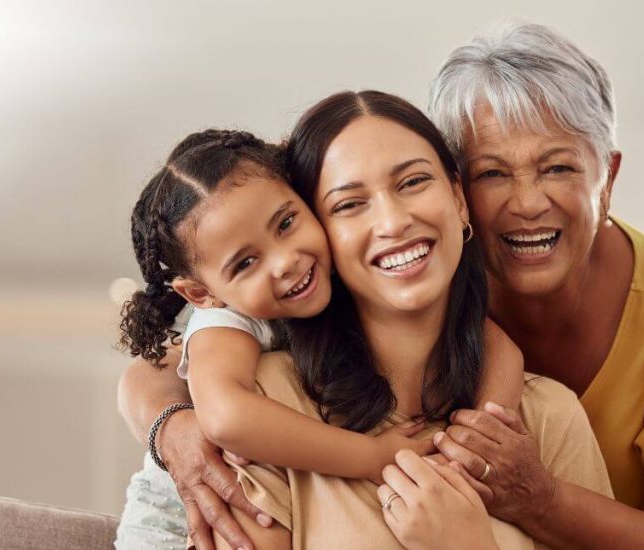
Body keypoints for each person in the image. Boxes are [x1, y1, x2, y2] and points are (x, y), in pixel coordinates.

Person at [411, 21, 644, 548]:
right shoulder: (425, 288)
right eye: (491, 174)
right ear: (456, 191)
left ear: (607, 180)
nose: (527, 203)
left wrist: (541, 500)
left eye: (558, 167)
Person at [114, 126, 524, 549]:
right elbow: (226, 418)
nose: (285, 262)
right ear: (203, 294)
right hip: (170, 524)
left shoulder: (336, 278)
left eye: (287, 223)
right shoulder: (225, 323)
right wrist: (371, 457)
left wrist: (480, 443)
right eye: (246, 262)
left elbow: (497, 344)